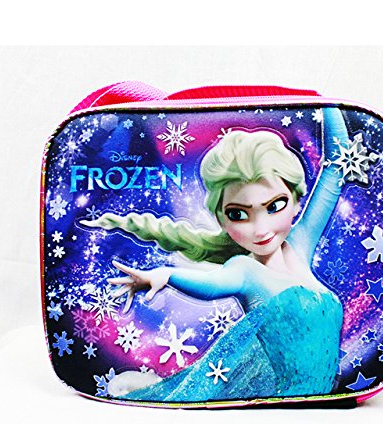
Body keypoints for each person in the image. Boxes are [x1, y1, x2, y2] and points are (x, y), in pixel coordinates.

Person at [81, 107, 349, 402]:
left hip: (320, 404)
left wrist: (329, 105)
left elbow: (336, 167)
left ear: (297, 200)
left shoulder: (301, 242)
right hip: (289, 403)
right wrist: (166, 275)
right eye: (238, 214)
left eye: (274, 206)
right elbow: (212, 285)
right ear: (221, 219)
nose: (261, 229)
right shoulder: (245, 270)